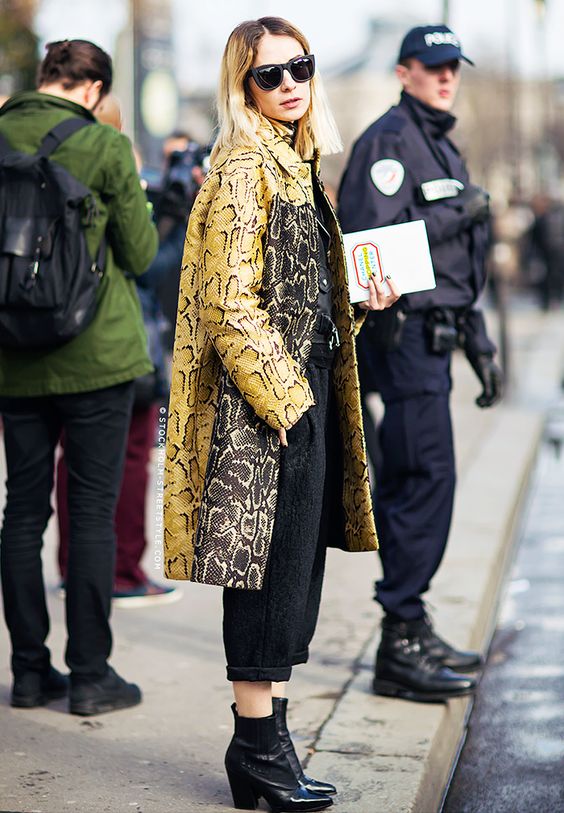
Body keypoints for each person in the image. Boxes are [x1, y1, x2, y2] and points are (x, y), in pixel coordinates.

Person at [163, 16, 398, 812]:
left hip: (305, 395)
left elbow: (302, 301)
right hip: (267, 411)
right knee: (264, 577)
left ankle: (268, 747)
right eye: (271, 74)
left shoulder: (298, 165)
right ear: (243, 85)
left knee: (295, 574)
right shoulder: (242, 167)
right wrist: (289, 404)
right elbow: (228, 304)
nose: (290, 83)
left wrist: (357, 302)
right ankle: (258, 748)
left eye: (301, 66)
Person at [338, 25, 503, 703]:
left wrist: (478, 341)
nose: (446, 77)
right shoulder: (390, 141)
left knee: (429, 480)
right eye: (433, 67)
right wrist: (455, 215)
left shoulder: (438, 142)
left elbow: (456, 266)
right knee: (420, 481)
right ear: (404, 71)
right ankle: (400, 639)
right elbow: (370, 248)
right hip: (401, 339)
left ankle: (412, 622)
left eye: (453, 67)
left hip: (436, 337)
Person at [0, 40, 158, 714]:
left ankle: (29, 672)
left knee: (22, 511)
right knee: (91, 513)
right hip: (97, 355)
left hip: (12, 355)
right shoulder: (104, 145)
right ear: (93, 90)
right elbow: (141, 254)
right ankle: (91, 676)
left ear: (45, 79)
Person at [55, 94, 177, 607]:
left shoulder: (48, 159)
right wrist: (176, 224)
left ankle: (72, 567)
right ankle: (123, 570)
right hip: (118, 338)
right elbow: (142, 262)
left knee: (71, 459)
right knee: (129, 457)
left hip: (59, 339)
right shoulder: (114, 157)